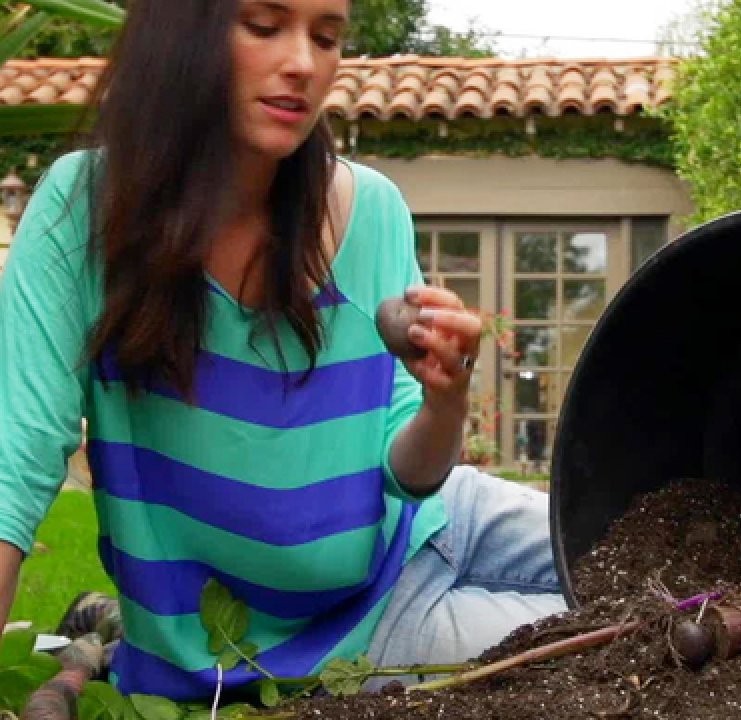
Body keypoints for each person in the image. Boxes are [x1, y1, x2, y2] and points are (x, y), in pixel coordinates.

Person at [0, 0, 566, 702]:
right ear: (183, 34)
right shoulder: (85, 213)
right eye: (263, 26)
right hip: (347, 639)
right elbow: (13, 464)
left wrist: (444, 397)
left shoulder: (372, 209)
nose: (303, 62)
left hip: (440, 519)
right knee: (640, 641)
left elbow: (411, 471)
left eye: (326, 37)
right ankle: (108, 641)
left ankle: (94, 640)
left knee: (652, 547)